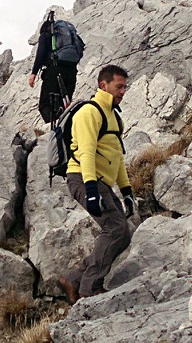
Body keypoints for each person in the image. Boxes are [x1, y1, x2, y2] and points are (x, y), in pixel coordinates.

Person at [58, 64, 134, 303]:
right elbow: (87, 152)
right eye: (118, 86)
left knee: (123, 233)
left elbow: (118, 157)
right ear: (104, 85)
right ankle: (89, 287)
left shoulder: (114, 116)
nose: (123, 91)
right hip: (82, 178)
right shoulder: (89, 112)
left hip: (100, 182)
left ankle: (74, 278)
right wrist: (90, 190)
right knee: (115, 228)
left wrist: (127, 191)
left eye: (124, 87)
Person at [29, 15, 80, 124]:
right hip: (72, 71)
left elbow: (40, 54)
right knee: (65, 105)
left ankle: (54, 129)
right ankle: (66, 129)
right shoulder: (69, 39)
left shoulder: (45, 36)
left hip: (54, 71)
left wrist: (33, 73)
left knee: (45, 105)